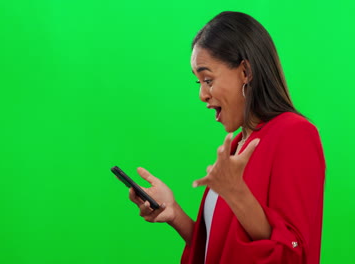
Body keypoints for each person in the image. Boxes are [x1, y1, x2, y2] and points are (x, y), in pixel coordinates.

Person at [128, 11, 326, 264]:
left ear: (245, 72)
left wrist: (237, 193)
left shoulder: (295, 134)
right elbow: (218, 250)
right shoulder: (235, 146)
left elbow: (295, 255)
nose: (202, 94)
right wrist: (174, 213)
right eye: (198, 82)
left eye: (208, 79)